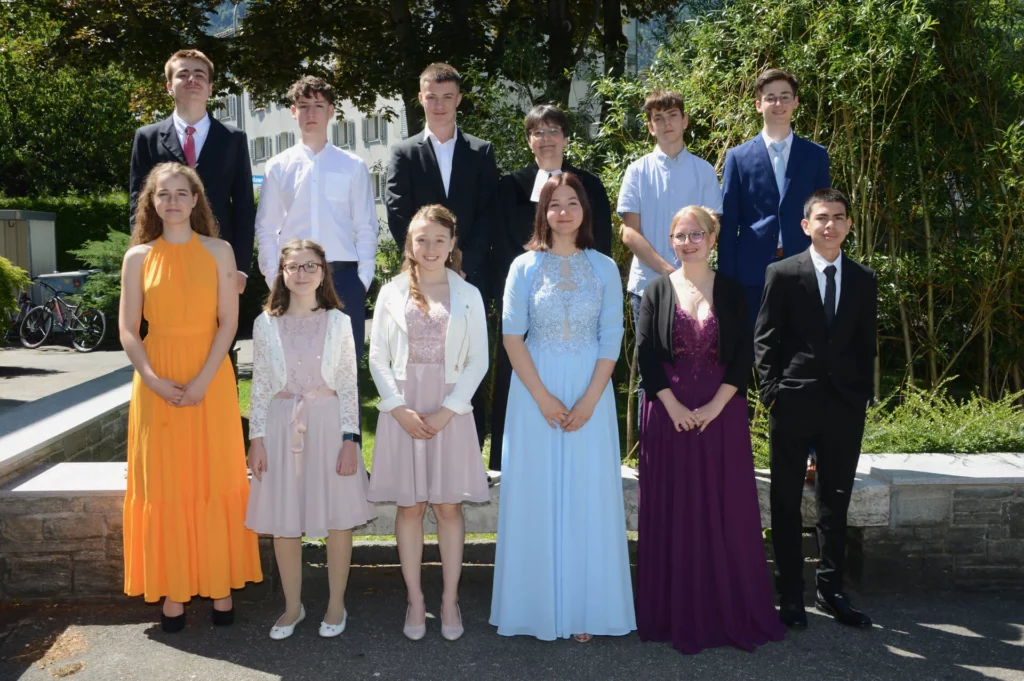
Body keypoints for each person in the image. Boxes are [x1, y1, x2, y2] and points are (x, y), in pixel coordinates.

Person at [490, 173, 635, 642]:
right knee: (538, 493)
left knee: (587, 496)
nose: (564, 211)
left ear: (585, 211)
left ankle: (583, 611)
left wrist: (592, 398)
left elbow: (612, 335)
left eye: (573, 203)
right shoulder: (523, 267)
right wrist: (544, 397)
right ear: (543, 213)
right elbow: (512, 337)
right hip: (535, 392)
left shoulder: (606, 267)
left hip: (590, 391)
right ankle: (536, 607)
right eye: (555, 204)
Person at [635, 206, 785, 654]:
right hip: (668, 417)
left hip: (723, 415)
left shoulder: (734, 291)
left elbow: (743, 356)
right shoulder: (655, 291)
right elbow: (645, 356)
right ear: (671, 240)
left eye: (696, 234)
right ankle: (672, 610)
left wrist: (718, 406)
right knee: (674, 510)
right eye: (679, 235)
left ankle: (728, 609)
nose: (688, 242)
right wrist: (673, 406)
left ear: (712, 238)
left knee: (727, 512)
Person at [120, 162, 262, 632]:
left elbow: (229, 322)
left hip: (211, 377)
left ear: (196, 200)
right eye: (164, 194)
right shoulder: (137, 257)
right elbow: (128, 329)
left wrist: (203, 379)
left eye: (183, 193)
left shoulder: (220, 251)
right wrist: (154, 379)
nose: (174, 201)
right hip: (156, 381)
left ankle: (220, 586)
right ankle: (171, 593)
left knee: (214, 478)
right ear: (152, 202)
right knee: (166, 484)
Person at [755, 188, 877, 630]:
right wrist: (772, 390)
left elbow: (867, 343)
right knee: (785, 501)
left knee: (835, 502)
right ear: (805, 225)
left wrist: (863, 393)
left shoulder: (863, 279)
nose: (831, 225)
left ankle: (831, 590)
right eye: (822, 217)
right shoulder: (783, 273)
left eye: (839, 217)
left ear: (848, 225)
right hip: (793, 402)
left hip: (844, 406)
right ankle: (790, 593)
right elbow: (765, 337)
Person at [367, 205, 490, 642]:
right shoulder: (389, 293)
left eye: (440, 239)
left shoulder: (469, 294)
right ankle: (416, 599)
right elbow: (377, 356)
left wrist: (448, 410)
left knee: (448, 507)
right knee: (410, 506)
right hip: (404, 409)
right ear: (410, 245)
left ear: (453, 243)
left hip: (449, 409)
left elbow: (479, 359)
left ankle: (449, 599)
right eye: (422, 239)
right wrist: (397, 407)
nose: (431, 247)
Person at [245, 239, 375, 641]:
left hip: (329, 421)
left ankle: (337, 603)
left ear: (323, 272)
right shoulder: (265, 322)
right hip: (284, 423)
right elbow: (262, 384)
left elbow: (350, 384)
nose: (301, 274)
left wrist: (350, 439)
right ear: (281, 273)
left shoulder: (337, 320)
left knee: (338, 518)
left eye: (310, 266)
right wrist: (257, 438)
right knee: (285, 520)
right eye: (293, 267)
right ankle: (292, 606)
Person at [488, 103, 613, 472]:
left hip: (580, 301)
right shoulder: (509, 186)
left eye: (554, 130)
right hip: (528, 302)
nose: (546, 139)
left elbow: (600, 242)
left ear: (566, 138)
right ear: (529, 141)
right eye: (538, 132)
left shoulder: (588, 185)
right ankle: (506, 464)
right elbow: (501, 245)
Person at [385, 63, 499, 447]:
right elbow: (398, 211)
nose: (439, 105)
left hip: (470, 275)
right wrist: (428, 259)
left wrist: (465, 263)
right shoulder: (403, 152)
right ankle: (415, 444)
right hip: (421, 275)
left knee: (469, 362)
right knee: (418, 359)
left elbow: (488, 213)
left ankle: (470, 451)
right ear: (420, 98)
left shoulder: (482, 151)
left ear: (458, 100)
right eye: (431, 97)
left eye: (447, 97)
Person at [255, 76, 378, 366]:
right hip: (292, 276)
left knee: (344, 368)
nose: (311, 113)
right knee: (293, 367)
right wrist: (274, 276)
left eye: (318, 105)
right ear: (293, 111)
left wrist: (363, 279)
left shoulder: (353, 165)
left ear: (331, 110)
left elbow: (365, 226)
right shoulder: (278, 166)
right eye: (304, 105)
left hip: (343, 277)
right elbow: (266, 227)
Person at [129, 49, 254, 296]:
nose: (191, 79)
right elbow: (138, 204)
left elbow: (243, 207)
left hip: (219, 257)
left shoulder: (233, 139)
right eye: (182, 74)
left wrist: (241, 268)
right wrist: (143, 257)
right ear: (169, 86)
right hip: (163, 254)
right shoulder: (147, 138)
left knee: (222, 331)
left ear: (210, 87)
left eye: (199, 74)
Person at [719, 68, 831, 327]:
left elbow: (823, 217)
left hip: (805, 267)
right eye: (770, 98)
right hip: (751, 273)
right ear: (759, 105)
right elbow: (729, 222)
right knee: (756, 352)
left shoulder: (816, 155)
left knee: (801, 351)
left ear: (796, 102)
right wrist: (726, 280)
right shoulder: (738, 157)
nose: (778, 103)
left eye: (784, 96)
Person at [618, 89, 723, 333]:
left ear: (684, 121)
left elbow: (711, 229)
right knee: (651, 369)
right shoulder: (637, 171)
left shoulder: (704, 171)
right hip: (647, 287)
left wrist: (686, 275)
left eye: (673, 115)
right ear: (650, 127)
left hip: (697, 287)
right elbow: (629, 233)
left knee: (694, 368)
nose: (667, 123)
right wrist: (670, 272)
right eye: (658, 118)